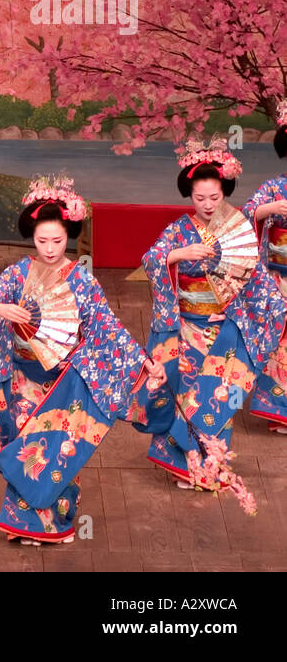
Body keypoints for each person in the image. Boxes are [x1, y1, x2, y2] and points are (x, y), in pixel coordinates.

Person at [0, 175, 164, 544]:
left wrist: (143, 361)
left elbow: (107, 327)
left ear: (70, 237)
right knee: (28, 446)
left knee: (60, 449)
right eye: (42, 241)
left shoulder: (81, 281)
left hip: (65, 382)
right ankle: (23, 523)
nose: (49, 249)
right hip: (23, 378)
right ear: (32, 237)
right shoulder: (17, 273)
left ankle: (54, 523)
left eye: (58, 241)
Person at [132, 138, 287, 489]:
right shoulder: (179, 230)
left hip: (226, 328)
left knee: (219, 400)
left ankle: (211, 468)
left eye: (214, 198)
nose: (207, 205)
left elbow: (257, 282)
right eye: (199, 198)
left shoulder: (238, 229)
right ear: (189, 195)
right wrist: (178, 254)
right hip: (188, 327)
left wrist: (242, 315)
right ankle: (183, 464)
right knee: (185, 394)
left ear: (225, 193)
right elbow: (151, 259)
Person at [238, 99, 287, 431]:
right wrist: (271, 208)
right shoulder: (274, 187)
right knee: (280, 343)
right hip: (279, 279)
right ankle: (280, 410)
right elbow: (246, 213)